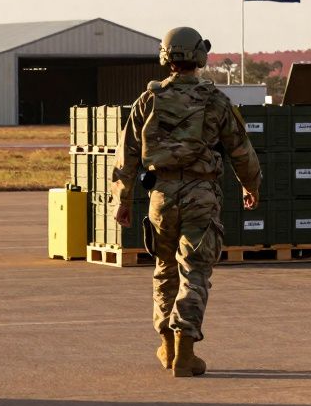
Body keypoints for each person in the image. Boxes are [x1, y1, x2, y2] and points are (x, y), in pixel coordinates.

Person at [111, 26, 261, 378]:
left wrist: (123, 200)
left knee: (165, 270)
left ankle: (165, 345)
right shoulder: (215, 100)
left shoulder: (148, 100)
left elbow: (127, 155)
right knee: (194, 272)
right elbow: (241, 150)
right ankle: (185, 350)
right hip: (201, 195)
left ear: (166, 57)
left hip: (160, 197)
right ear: (199, 57)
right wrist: (250, 185)